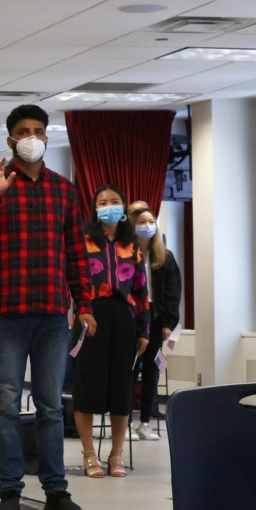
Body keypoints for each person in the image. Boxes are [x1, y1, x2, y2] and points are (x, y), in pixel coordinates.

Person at [0, 104, 87, 510]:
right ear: (10, 139)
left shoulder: (64, 190)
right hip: (8, 313)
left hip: (52, 313)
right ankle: (10, 490)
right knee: (6, 403)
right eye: (23, 131)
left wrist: (84, 304)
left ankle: (55, 488)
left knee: (51, 404)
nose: (32, 137)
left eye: (38, 130)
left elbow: (76, 255)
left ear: (47, 137)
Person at [72, 184, 147, 478]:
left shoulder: (132, 245)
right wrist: (80, 312)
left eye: (115, 201)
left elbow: (142, 291)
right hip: (91, 315)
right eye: (103, 202)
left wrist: (144, 330)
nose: (109, 206)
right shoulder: (83, 240)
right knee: (87, 386)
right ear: (94, 208)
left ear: (124, 208)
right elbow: (74, 281)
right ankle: (89, 455)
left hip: (125, 318)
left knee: (121, 389)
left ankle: (117, 454)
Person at [135, 205, 179, 440]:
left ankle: (144, 422)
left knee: (153, 369)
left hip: (156, 317)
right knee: (130, 371)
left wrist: (169, 323)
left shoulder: (165, 256)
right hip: (133, 318)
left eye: (151, 221)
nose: (147, 226)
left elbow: (173, 291)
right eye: (142, 221)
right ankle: (122, 420)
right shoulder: (127, 253)